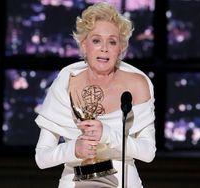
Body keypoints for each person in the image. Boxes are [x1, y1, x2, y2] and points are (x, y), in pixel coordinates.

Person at [35, 2, 156, 188]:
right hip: (75, 180)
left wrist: (107, 134)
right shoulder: (66, 82)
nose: (104, 48)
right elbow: (42, 158)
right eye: (96, 40)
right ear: (84, 46)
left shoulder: (137, 84)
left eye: (112, 42)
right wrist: (73, 149)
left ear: (121, 49)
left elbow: (148, 153)